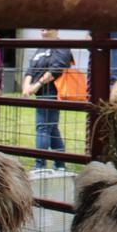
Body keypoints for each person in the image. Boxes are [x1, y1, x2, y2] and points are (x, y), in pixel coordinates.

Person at [22, 28, 73, 172]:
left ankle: (40, 165)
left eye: (48, 27)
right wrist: (27, 85)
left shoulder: (61, 47)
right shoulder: (41, 48)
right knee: (51, 128)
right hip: (40, 94)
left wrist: (37, 85)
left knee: (43, 128)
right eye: (42, 27)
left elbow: (56, 69)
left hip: (52, 93)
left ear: (56, 29)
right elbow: (30, 69)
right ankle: (60, 164)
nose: (44, 29)